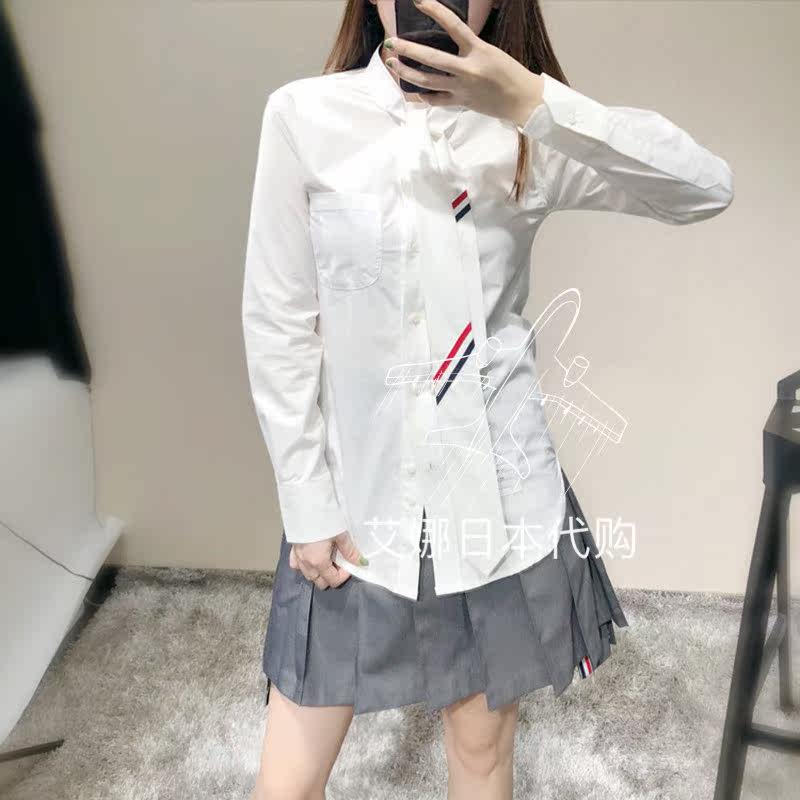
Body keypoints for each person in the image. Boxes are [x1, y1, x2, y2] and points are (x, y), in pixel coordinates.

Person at [241, 1, 734, 798]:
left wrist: (534, 101)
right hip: (355, 503)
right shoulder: (304, 117)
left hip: (496, 510)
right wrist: (305, 499)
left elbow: (705, 187)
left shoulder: (526, 130)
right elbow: (278, 319)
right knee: (287, 781)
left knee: (480, 757)